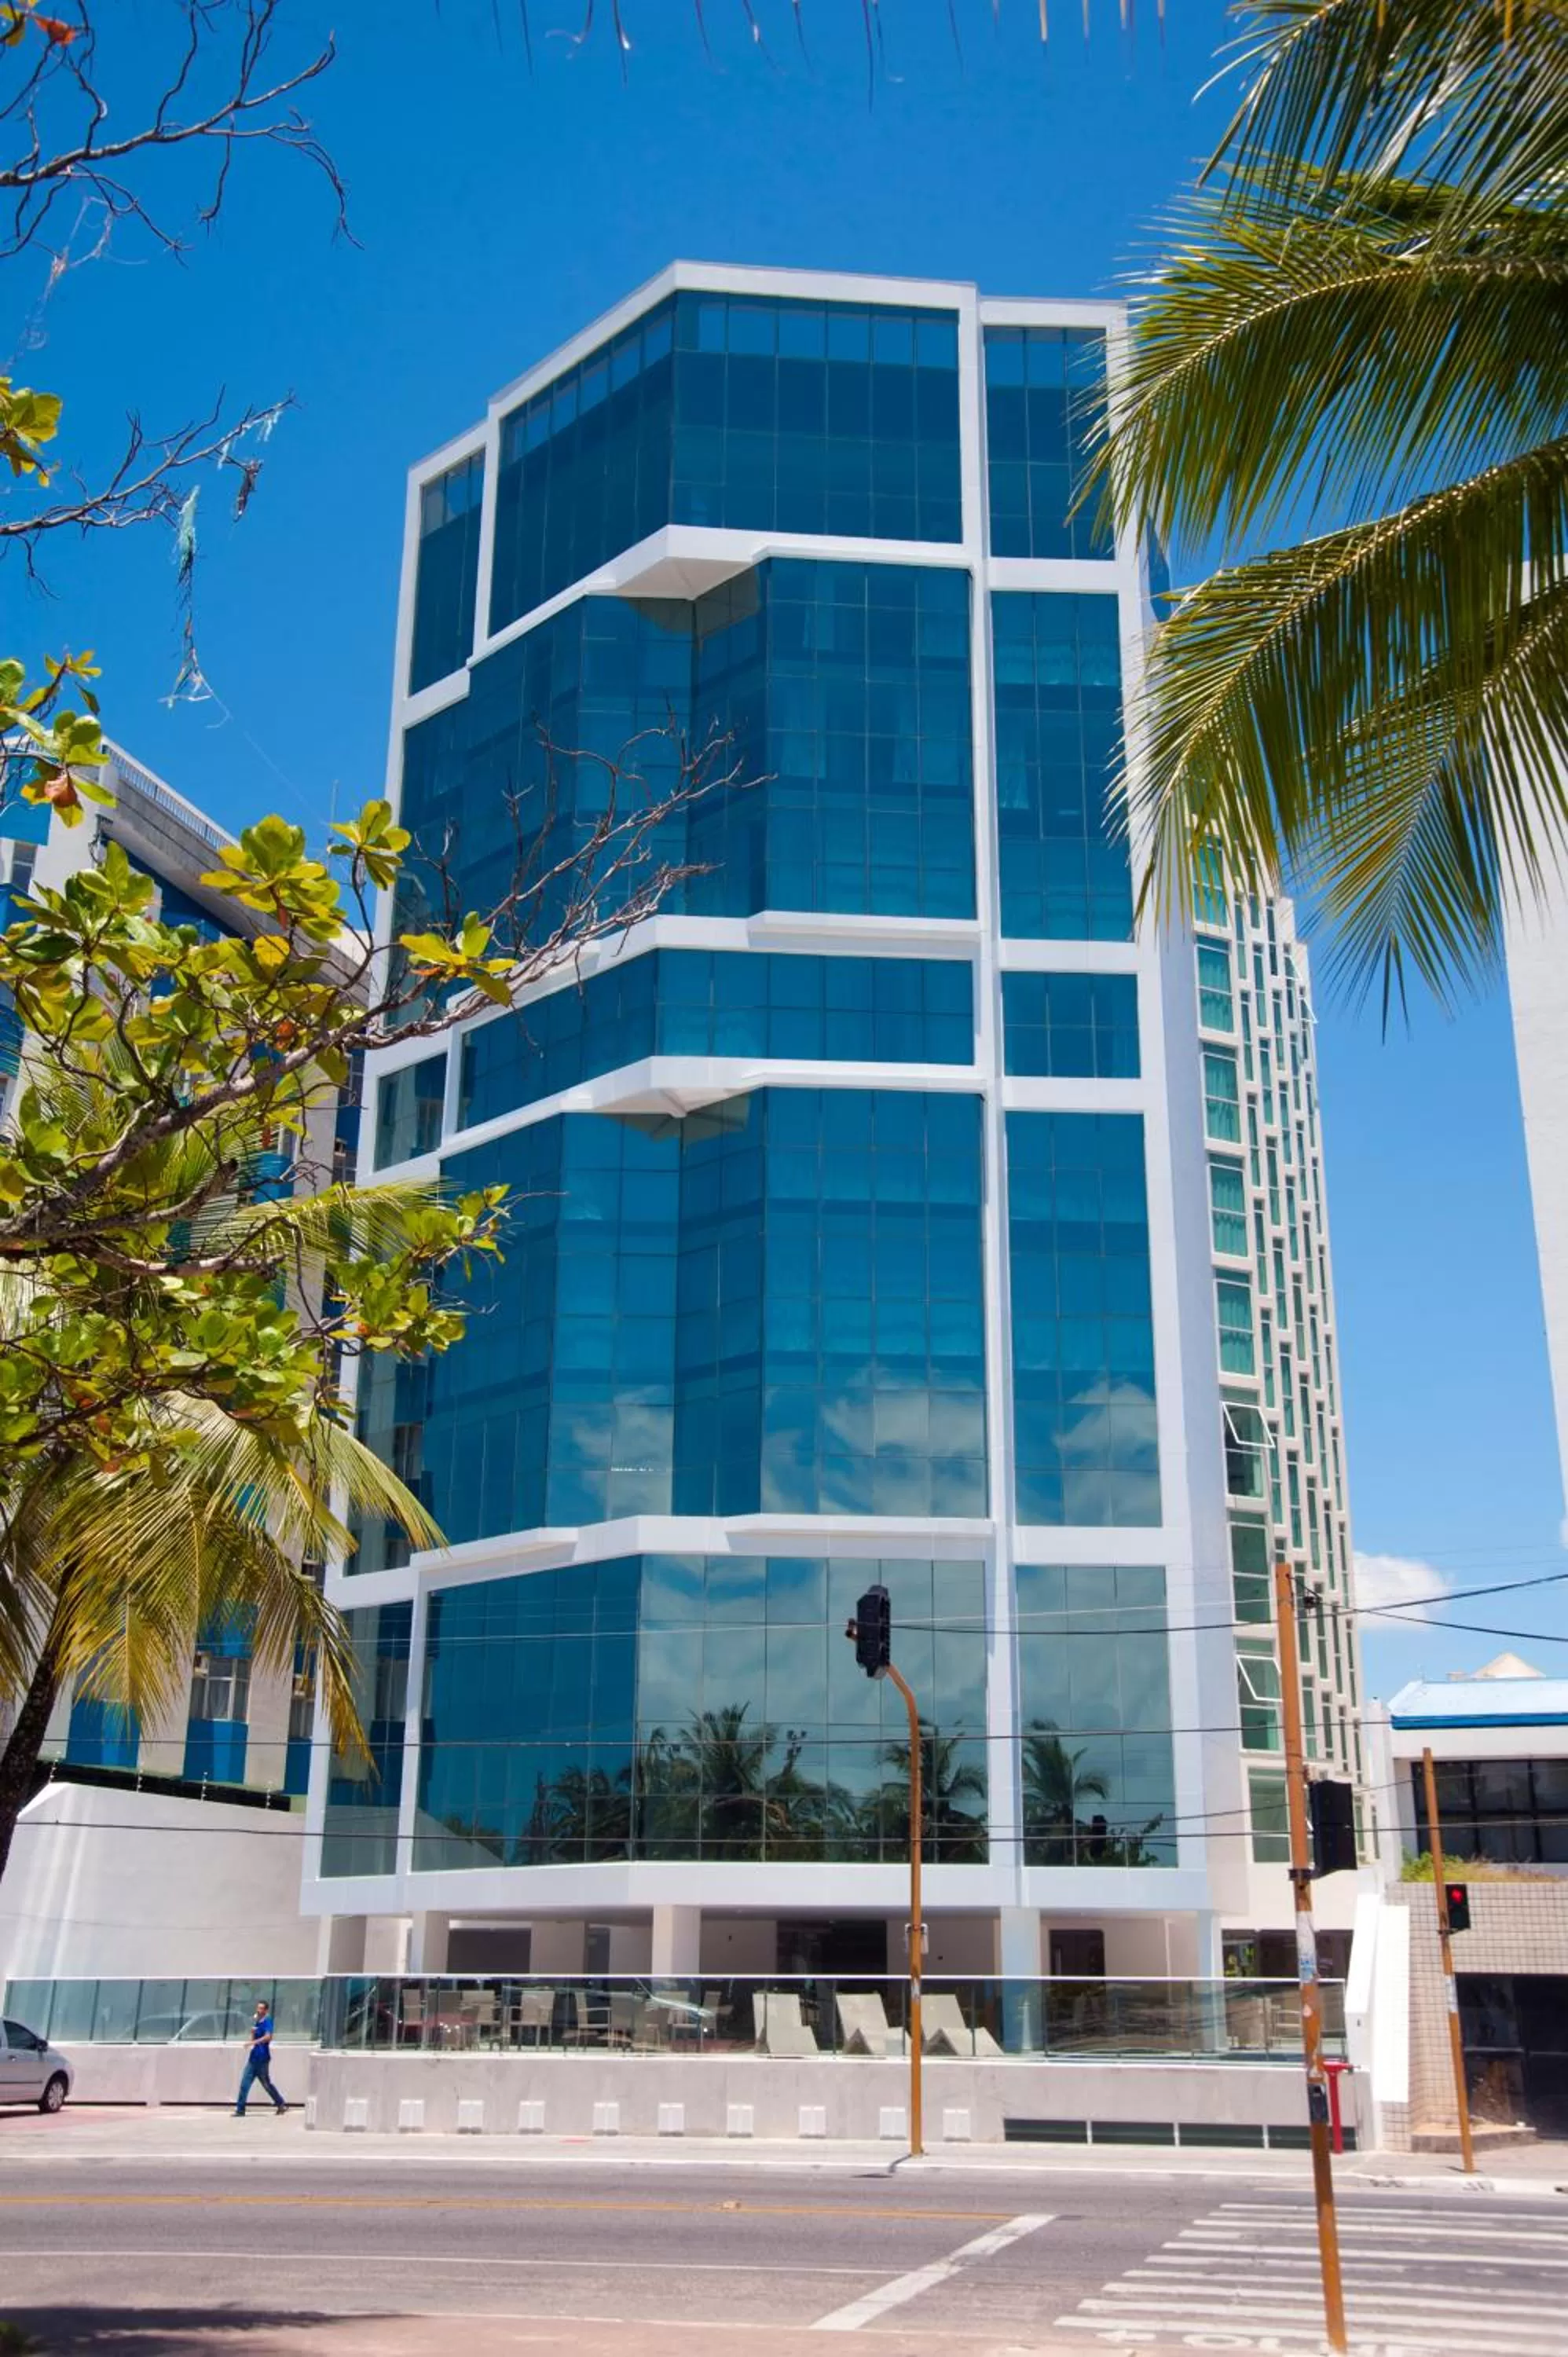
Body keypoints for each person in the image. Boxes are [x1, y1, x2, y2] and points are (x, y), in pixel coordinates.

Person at [234, 1999, 288, 2117]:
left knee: (266, 2084)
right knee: (244, 2083)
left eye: (261, 2008)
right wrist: (252, 2033)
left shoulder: (267, 2021)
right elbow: (253, 2039)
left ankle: (280, 2103)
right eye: (258, 2008)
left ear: (266, 2010)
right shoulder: (257, 2022)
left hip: (263, 2058)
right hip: (253, 2058)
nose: (259, 2010)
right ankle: (240, 2109)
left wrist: (253, 2043)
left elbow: (268, 2037)